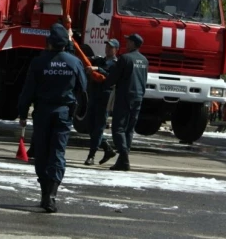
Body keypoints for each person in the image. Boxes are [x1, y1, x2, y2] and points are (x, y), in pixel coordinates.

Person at [18, 23, 87, 213]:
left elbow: (27, 92)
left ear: (48, 41)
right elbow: (83, 88)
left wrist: (22, 114)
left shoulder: (38, 62)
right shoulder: (74, 62)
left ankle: (44, 194)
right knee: (57, 152)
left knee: (41, 153)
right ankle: (52, 195)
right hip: (64, 113)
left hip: (42, 113)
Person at [103, 34, 148, 171]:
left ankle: (124, 156)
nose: (126, 42)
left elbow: (113, 78)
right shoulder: (144, 60)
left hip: (125, 96)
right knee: (129, 129)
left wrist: (104, 82)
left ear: (133, 44)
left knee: (118, 128)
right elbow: (144, 79)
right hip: (138, 97)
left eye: (129, 41)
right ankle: (123, 159)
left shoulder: (125, 58)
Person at [84, 39, 119, 166]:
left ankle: (91, 155)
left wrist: (98, 69)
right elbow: (85, 59)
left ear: (116, 50)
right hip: (94, 95)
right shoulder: (99, 60)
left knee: (99, 126)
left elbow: (110, 77)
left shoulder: (116, 64)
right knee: (89, 126)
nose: (108, 49)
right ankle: (107, 148)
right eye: (107, 47)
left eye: (111, 47)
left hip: (105, 97)